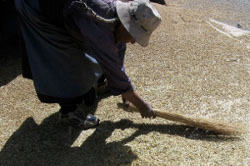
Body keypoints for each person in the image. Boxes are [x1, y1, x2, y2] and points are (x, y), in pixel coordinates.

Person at [15, 0, 162, 129]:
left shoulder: (115, 18)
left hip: (66, 9)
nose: (133, 41)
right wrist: (141, 105)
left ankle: (98, 84)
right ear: (126, 25)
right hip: (37, 7)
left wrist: (126, 93)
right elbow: (112, 65)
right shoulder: (100, 29)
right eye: (133, 35)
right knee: (65, 59)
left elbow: (117, 56)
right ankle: (69, 112)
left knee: (94, 51)